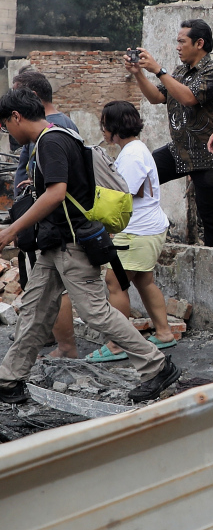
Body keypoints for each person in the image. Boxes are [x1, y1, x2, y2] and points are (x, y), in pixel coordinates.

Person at [0, 88, 178, 405]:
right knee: (36, 311)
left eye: (6, 126)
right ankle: (9, 379)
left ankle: (157, 365)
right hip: (55, 245)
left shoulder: (51, 142)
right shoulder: (57, 137)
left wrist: (12, 229)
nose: (8, 133)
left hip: (72, 245)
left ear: (16, 117)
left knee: (95, 313)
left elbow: (57, 193)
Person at [87, 101, 178, 363]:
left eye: (104, 124)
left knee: (115, 283)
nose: (102, 130)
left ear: (114, 127)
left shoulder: (131, 155)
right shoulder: (134, 150)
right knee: (143, 280)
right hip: (146, 228)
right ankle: (163, 333)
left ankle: (117, 344)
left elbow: (125, 193)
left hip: (137, 230)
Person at [127, 19, 213, 248]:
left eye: (182, 42)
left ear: (199, 43)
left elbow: (188, 98)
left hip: (209, 154)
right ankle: (139, 233)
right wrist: (139, 74)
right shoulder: (180, 71)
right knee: (141, 174)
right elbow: (157, 97)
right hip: (180, 149)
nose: (177, 47)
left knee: (210, 217)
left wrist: (158, 70)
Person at [9, 70, 80, 359]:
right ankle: (25, 358)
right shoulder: (50, 128)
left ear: (33, 99)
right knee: (41, 288)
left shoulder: (53, 130)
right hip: (41, 220)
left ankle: (66, 347)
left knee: (61, 291)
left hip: (50, 223)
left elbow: (55, 186)